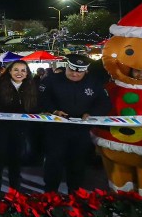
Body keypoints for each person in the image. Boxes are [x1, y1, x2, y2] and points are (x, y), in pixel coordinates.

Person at [38, 53, 110, 194]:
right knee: (54, 161)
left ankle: (75, 194)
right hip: (56, 129)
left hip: (81, 130)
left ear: (85, 71)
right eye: (71, 70)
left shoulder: (94, 82)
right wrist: (54, 110)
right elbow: (42, 98)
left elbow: (104, 103)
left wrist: (91, 113)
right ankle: (50, 194)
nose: (75, 74)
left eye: (79, 72)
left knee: (78, 163)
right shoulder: (52, 80)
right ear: (67, 67)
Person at [0, 60, 40, 200]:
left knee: (16, 159)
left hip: (20, 128)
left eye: (23, 70)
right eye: (16, 70)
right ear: (9, 71)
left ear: (27, 73)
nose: (19, 73)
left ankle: (15, 193)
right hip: (0, 127)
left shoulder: (32, 86)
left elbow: (36, 106)